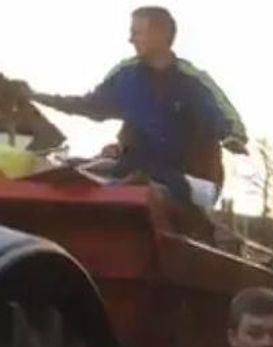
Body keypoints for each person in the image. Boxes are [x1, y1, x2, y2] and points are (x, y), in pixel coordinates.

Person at [17, 6, 247, 202]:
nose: (130, 39)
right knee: (67, 174)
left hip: (189, 179)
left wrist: (233, 138)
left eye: (136, 32)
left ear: (161, 33)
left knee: (139, 184)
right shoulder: (126, 75)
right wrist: (38, 96)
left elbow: (230, 121)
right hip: (133, 170)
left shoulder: (195, 83)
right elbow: (90, 105)